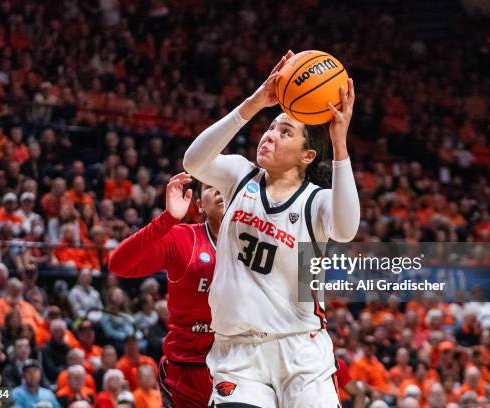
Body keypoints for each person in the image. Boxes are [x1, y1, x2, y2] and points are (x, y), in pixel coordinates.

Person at [183, 51, 360, 406]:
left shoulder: (316, 200)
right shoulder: (239, 175)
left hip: (301, 353)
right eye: (269, 127)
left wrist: (340, 143)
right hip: (238, 355)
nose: (269, 135)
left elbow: (345, 229)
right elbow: (193, 161)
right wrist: (252, 104)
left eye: (285, 131)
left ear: (306, 156)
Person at [110, 173, 223, 406]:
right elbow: (118, 264)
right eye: (213, 186)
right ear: (200, 205)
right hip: (187, 369)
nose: (222, 190)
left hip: (243, 365)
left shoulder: (263, 237)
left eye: (228, 185)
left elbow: (308, 276)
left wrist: (316, 318)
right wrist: (168, 219)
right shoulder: (183, 238)